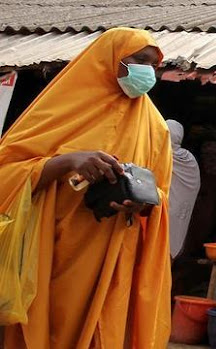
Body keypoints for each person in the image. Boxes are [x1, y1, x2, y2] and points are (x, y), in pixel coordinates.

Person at [1, 28, 172, 348]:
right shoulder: (58, 107)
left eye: (154, 65)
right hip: (50, 253)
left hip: (114, 255)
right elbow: (5, 175)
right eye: (140, 60)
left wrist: (142, 201)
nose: (148, 72)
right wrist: (67, 162)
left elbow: (161, 192)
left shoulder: (156, 127)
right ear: (108, 59)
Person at [166, 119, 201, 259]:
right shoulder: (189, 158)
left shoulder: (163, 155)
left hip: (169, 208)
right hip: (178, 208)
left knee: (163, 242)